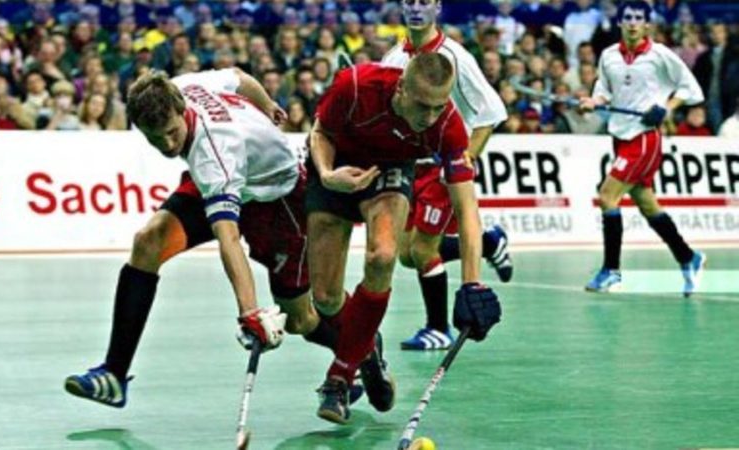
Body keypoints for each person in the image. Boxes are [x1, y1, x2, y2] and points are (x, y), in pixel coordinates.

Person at [64, 67, 345, 407]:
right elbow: (239, 77)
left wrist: (249, 312)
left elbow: (228, 238)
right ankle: (113, 375)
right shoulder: (180, 86)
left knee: (299, 319)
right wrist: (266, 103)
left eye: (172, 132)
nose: (168, 145)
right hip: (231, 180)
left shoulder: (213, 153)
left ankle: (359, 352)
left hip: (278, 197)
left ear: (182, 109)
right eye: (156, 139)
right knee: (148, 242)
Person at [307, 53, 502, 423]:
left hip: (390, 171)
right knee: (326, 299)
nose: (430, 117)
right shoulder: (355, 85)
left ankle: (339, 377)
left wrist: (472, 284)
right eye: (423, 106)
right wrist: (328, 174)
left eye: (439, 106)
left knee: (383, 257)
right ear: (401, 89)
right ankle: (367, 347)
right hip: (335, 167)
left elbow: (467, 210)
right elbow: (320, 133)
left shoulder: (447, 126)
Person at [380, 0, 511, 351]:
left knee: (423, 250)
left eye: (424, 1)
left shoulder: (455, 57)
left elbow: (491, 112)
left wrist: (466, 158)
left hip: (443, 167)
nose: (416, 8)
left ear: (437, 7)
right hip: (410, 166)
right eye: (409, 1)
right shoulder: (393, 57)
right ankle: (491, 243)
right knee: (407, 255)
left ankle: (438, 328)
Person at [579, 0, 706, 296]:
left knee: (607, 195)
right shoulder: (609, 56)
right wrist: (593, 102)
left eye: (639, 18)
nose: (633, 23)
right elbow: (604, 90)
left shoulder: (660, 55)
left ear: (647, 24)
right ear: (620, 22)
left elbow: (691, 89)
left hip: (645, 138)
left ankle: (611, 270)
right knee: (647, 204)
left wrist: (666, 108)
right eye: (628, 18)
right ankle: (688, 257)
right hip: (619, 136)